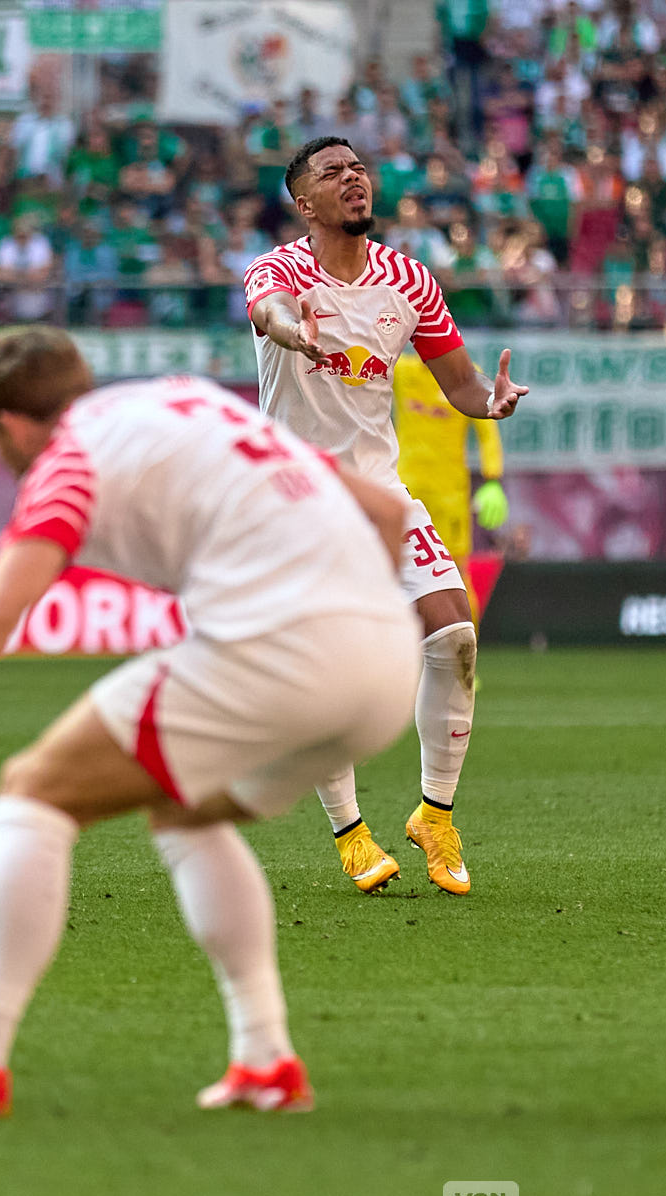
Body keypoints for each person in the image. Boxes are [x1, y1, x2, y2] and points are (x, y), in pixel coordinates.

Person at [0, 327, 421, 1117]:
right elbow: (384, 511)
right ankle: (265, 1060)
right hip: (388, 661)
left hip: (279, 646)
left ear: (9, 424)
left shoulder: (68, 455)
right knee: (183, 809)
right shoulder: (193, 400)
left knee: (33, 790)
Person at [243, 136, 529, 897]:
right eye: (333, 173)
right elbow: (266, 308)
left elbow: (461, 384)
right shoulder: (280, 272)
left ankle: (434, 815)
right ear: (306, 204)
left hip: (378, 494)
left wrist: (490, 404)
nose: (354, 178)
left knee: (455, 632)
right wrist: (287, 328)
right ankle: (350, 831)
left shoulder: (408, 279)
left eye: (358, 168)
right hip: (297, 503)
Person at [392, 350, 510, 593]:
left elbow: (487, 432)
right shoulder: (401, 371)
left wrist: (492, 479)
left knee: (455, 572)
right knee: (397, 569)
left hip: (449, 496)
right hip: (404, 491)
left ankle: (467, 632)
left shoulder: (464, 376)